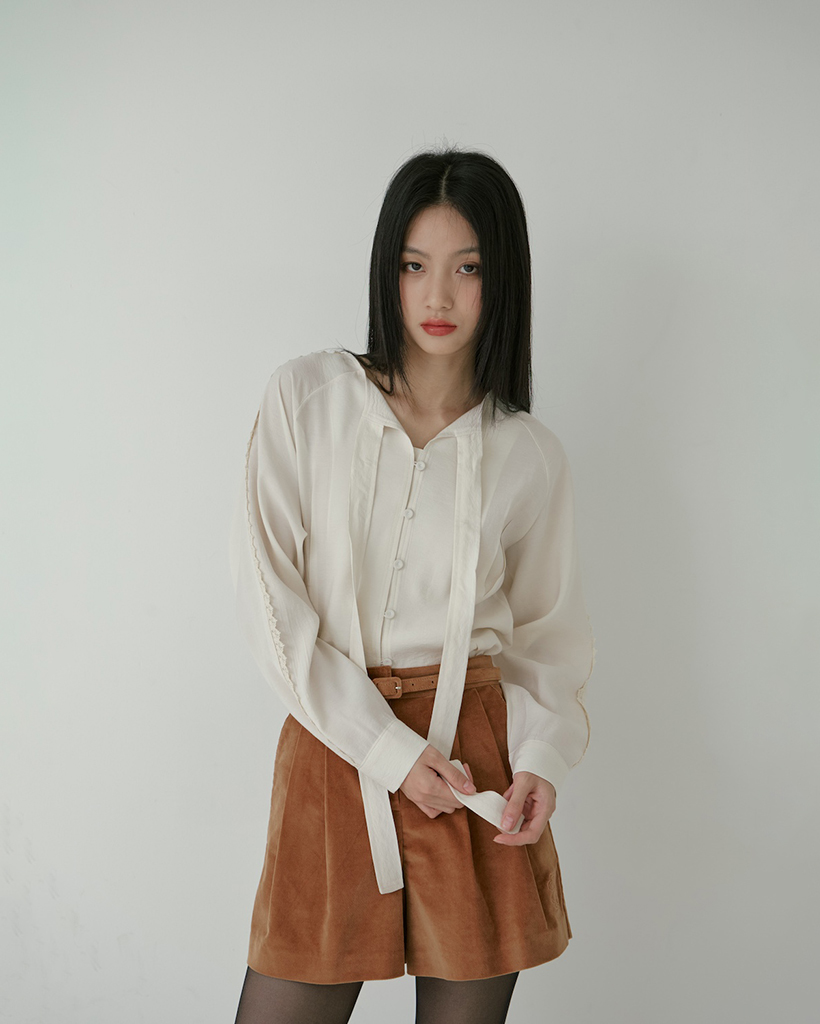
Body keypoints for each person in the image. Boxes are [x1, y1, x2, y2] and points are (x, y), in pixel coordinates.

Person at [229, 147, 596, 1024]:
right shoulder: (307, 399)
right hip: (335, 740)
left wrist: (540, 760)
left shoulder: (529, 454)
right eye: (413, 265)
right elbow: (272, 603)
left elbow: (546, 638)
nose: (438, 296)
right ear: (385, 271)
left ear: (503, 281)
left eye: (468, 268)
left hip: (472, 761)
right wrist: (387, 751)